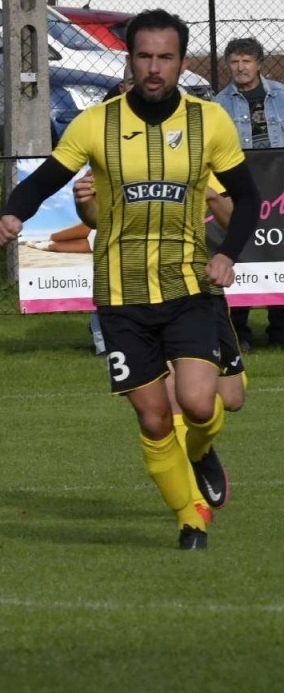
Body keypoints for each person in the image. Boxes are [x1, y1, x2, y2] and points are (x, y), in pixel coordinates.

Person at [0, 9, 262, 550]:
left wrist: (229, 254)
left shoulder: (210, 121)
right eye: (144, 56)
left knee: (204, 405)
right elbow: (46, 178)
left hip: (188, 286)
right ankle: (189, 518)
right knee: (154, 417)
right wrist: (14, 211)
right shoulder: (97, 123)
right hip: (120, 296)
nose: (155, 68)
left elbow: (250, 199)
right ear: (129, 60)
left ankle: (202, 450)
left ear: (182, 62)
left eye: (165, 57)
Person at [73, 171, 244, 513]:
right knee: (174, 403)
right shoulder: (114, 152)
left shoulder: (201, 149)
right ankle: (192, 507)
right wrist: (85, 202)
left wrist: (209, 196)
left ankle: (200, 450)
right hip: (138, 297)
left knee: (231, 397)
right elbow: (94, 220)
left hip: (200, 293)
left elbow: (235, 222)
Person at [211, 37, 284, 349]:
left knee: (278, 253)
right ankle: (238, 330)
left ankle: (280, 330)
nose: (240, 67)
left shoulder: (281, 95)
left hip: (278, 187)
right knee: (238, 249)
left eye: (246, 61)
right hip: (238, 186)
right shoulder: (218, 104)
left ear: (259, 63)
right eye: (234, 61)